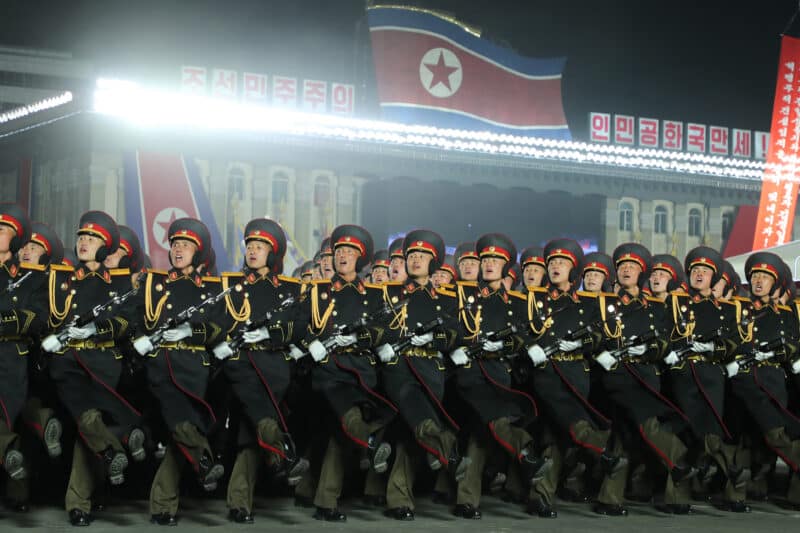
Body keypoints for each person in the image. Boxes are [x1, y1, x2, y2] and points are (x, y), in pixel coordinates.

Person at [41, 211, 144, 526]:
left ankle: (82, 500)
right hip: (67, 363)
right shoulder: (62, 278)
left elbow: (129, 321)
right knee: (87, 418)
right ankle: (110, 455)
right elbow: (46, 314)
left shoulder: (122, 282)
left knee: (89, 425)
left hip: (102, 360)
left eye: (93, 239)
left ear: (106, 247)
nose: (84, 243)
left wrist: (97, 329)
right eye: (81, 237)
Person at [296, 224, 397, 522]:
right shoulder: (319, 291)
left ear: (359, 259)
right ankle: (369, 444)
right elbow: (299, 324)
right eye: (339, 251)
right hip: (328, 371)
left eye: (350, 252)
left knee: (336, 437)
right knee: (345, 419)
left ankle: (320, 497)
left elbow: (384, 329)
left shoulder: (374, 295)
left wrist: (359, 339)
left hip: (360, 371)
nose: (343, 256)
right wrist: (311, 343)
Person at [211, 218, 309, 523]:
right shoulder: (230, 285)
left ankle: (240, 503)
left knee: (249, 435)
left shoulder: (290, 289)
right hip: (239, 364)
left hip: (273, 365)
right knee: (255, 415)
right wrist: (220, 342)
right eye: (250, 246)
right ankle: (282, 451)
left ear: (273, 253)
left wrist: (270, 335)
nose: (253, 252)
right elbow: (215, 320)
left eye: (260, 247)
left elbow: (299, 326)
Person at [132, 218, 226, 526]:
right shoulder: (155, 283)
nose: (178, 250)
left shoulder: (212, 288)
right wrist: (142, 340)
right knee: (180, 421)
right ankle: (205, 458)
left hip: (194, 366)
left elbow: (217, 329)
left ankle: (163, 505)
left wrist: (190, 331)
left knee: (179, 435)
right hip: (162, 365)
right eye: (174, 245)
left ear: (198, 253)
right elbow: (137, 320)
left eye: (185, 245)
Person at [593, 243, 697, 516]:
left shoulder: (654, 306)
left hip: (647, 374)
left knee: (625, 435)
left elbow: (665, 341)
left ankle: (610, 498)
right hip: (617, 374)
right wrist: (601, 351)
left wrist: (648, 349)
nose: (626, 270)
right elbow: (592, 335)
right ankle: (679, 460)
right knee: (647, 425)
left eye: (633, 267)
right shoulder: (605, 304)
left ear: (642, 273)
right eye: (622, 267)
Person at [449, 233, 549, 519]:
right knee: (494, 420)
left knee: (482, 435)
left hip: (498, 372)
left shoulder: (517, 302)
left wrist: (505, 344)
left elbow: (527, 334)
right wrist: (458, 346)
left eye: (496, 260)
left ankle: (467, 500)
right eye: (486, 259)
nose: (490, 264)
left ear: (506, 267)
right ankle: (526, 451)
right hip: (469, 373)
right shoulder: (463, 294)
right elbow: (448, 327)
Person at [523, 239, 621, 518]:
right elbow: (520, 327)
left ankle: (540, 497)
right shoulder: (535, 299)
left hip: (577, 373)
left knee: (555, 437)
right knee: (564, 417)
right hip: (547, 372)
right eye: (552, 263)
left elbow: (600, 334)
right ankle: (599, 448)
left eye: (562, 264)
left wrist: (582, 344)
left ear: (573, 270)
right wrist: (531, 346)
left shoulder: (588, 304)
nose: (555, 267)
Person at [374, 229, 468, 520]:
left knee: (409, 436)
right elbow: (372, 326)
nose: (415, 260)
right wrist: (383, 343)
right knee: (413, 408)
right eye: (411, 256)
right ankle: (447, 448)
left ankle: (399, 500)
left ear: (434, 262)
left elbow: (456, 333)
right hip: (399, 367)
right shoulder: (389, 293)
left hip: (431, 369)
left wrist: (434, 340)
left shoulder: (446, 298)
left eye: (422, 256)